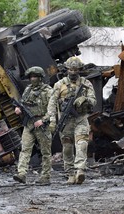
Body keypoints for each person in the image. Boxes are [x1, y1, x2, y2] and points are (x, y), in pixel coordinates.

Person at [47, 57, 96, 185]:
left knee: (82, 144)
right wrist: (52, 120)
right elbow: (52, 104)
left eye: (75, 70)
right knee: (67, 148)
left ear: (79, 70)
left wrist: (84, 100)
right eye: (70, 69)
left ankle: (80, 170)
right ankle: (70, 173)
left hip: (81, 118)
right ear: (66, 70)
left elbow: (94, 101)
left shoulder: (86, 84)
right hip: (65, 121)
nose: (73, 72)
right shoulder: (59, 85)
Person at [13, 66, 53, 186]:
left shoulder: (48, 91)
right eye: (31, 77)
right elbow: (23, 102)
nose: (32, 79)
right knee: (25, 148)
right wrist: (18, 108)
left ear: (40, 78)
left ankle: (45, 176)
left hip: (42, 125)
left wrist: (43, 120)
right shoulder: (28, 89)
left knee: (45, 152)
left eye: (35, 77)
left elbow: (53, 110)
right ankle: (22, 173)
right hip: (29, 124)